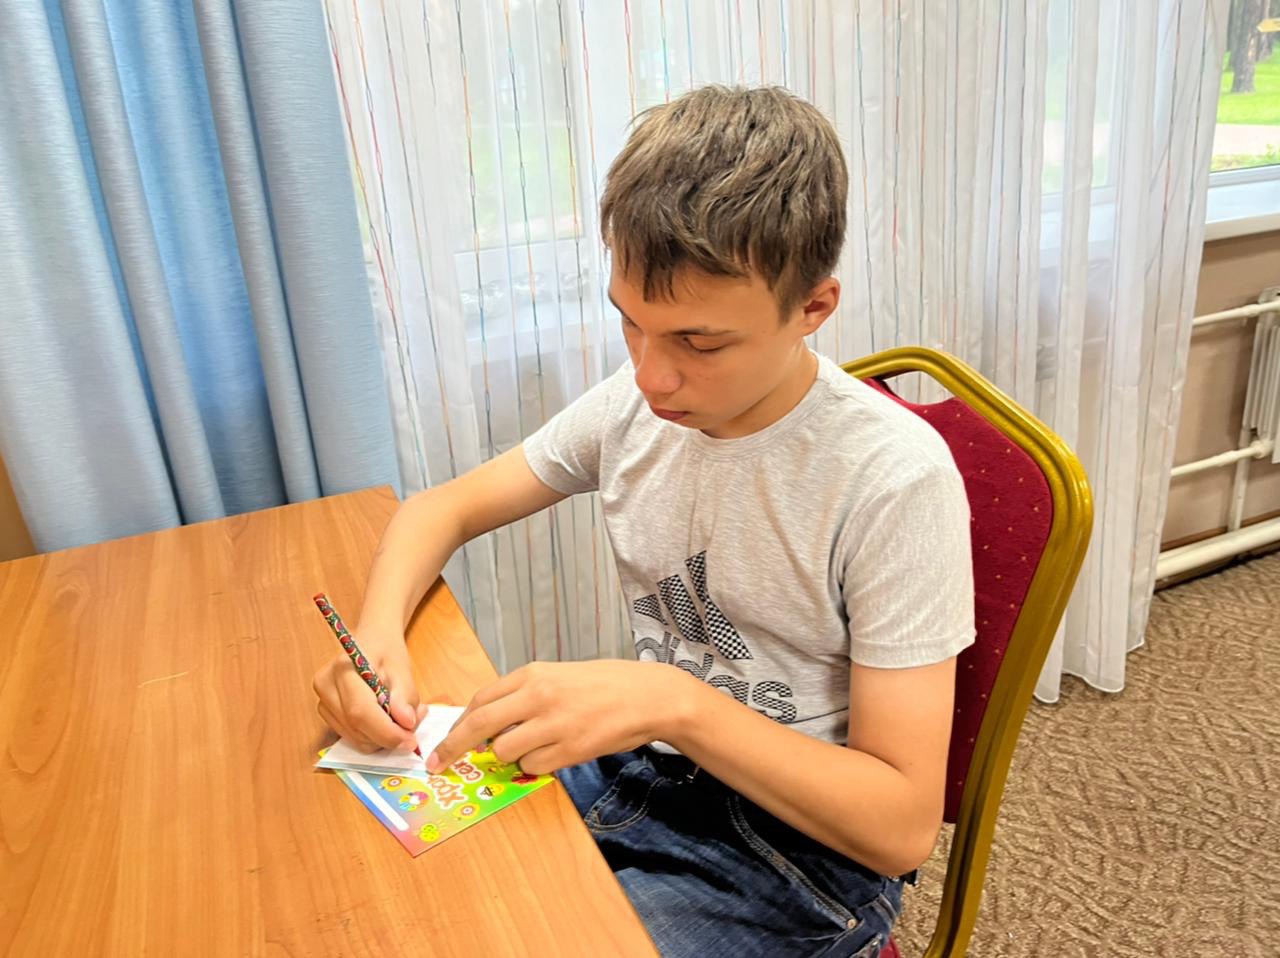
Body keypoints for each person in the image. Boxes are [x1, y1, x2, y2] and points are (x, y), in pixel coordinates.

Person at [312, 84, 974, 958]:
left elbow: (899, 829)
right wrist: (376, 638)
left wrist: (673, 701)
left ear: (814, 308)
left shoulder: (893, 480)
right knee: (383, 895)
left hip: (797, 849)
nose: (652, 376)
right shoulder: (634, 406)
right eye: (631, 324)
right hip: (646, 762)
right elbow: (442, 509)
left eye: (700, 343)